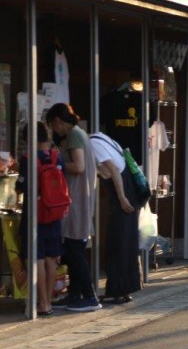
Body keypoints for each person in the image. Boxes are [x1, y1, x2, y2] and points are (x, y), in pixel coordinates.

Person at [46, 103, 101, 312]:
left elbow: (78, 167)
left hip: (77, 199)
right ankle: (75, 293)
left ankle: (89, 296)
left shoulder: (75, 136)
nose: (54, 130)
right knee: (72, 247)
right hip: (78, 198)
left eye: (53, 125)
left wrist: (56, 163)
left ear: (58, 121)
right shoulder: (78, 134)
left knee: (75, 249)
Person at [15, 122, 65, 316]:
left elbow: (21, 187)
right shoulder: (56, 156)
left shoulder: (28, 159)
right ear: (48, 137)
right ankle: (49, 302)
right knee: (51, 259)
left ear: (29, 139)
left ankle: (42, 303)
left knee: (37, 259)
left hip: (34, 215)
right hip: (54, 214)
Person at [90, 130, 142, 303]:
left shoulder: (92, 144)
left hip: (122, 189)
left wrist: (121, 198)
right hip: (128, 186)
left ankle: (118, 289)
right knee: (126, 240)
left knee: (118, 240)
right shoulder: (103, 137)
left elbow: (112, 169)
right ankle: (123, 288)